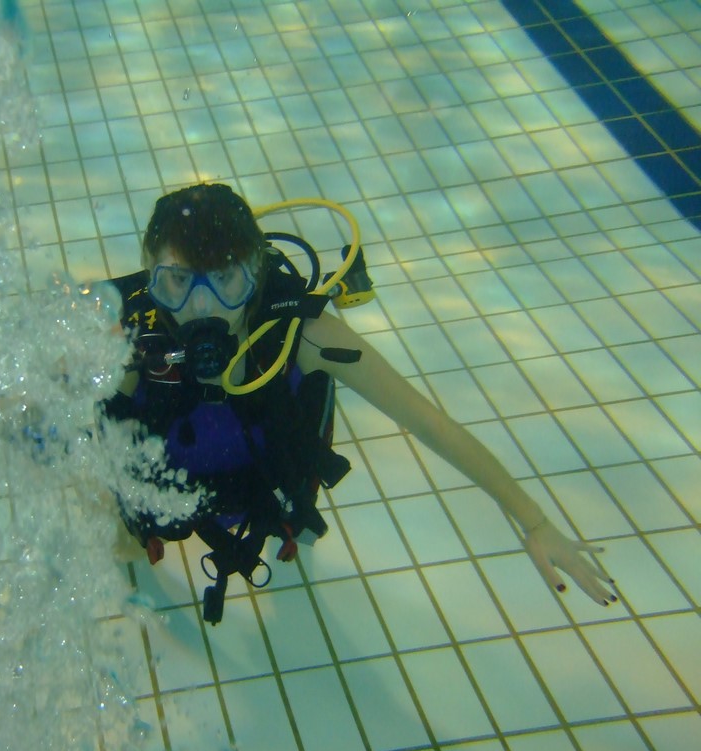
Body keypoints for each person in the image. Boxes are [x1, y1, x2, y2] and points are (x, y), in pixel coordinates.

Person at [103, 183, 617, 624]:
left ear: (255, 272)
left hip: (271, 487)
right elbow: (84, 435)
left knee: (293, 525)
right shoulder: (127, 345)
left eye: (225, 280)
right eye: (177, 282)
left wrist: (535, 522)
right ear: (150, 275)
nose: (201, 308)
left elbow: (429, 423)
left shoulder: (304, 337)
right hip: (164, 490)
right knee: (121, 535)